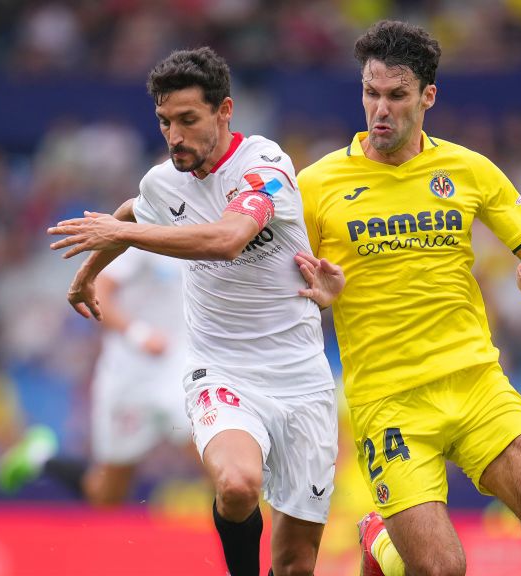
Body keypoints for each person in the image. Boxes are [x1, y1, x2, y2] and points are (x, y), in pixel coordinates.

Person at [294, 20, 521, 576]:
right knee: (442, 569)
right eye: (370, 93)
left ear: (427, 96)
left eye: (396, 95)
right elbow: (281, 291)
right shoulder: (316, 186)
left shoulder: (469, 170)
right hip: (390, 402)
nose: (381, 110)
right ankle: (379, 540)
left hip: (475, 382)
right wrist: (320, 299)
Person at [46, 47, 338, 576]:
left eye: (187, 120)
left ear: (224, 111)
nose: (174, 136)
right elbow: (134, 210)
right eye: (164, 122)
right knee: (236, 484)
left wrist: (120, 233)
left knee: (296, 562)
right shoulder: (163, 182)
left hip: (300, 379)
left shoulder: (265, 164)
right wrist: (89, 274)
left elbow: (228, 239)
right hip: (220, 370)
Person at [0, 247, 194, 506]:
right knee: (106, 495)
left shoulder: (201, 228)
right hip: (130, 376)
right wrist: (139, 335)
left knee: (217, 460)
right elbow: (97, 292)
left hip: (178, 369)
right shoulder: (143, 230)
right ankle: (42, 458)